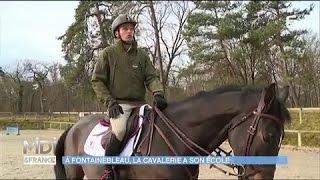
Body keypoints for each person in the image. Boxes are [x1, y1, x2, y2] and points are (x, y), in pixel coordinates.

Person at [91, 14, 167, 179]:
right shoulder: (108, 54)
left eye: (132, 29)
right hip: (120, 105)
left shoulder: (142, 55)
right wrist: (109, 102)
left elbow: (151, 77)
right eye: (125, 29)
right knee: (119, 130)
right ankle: (108, 169)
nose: (129, 32)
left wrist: (158, 92)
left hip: (141, 103)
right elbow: (97, 80)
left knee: (160, 124)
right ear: (117, 33)